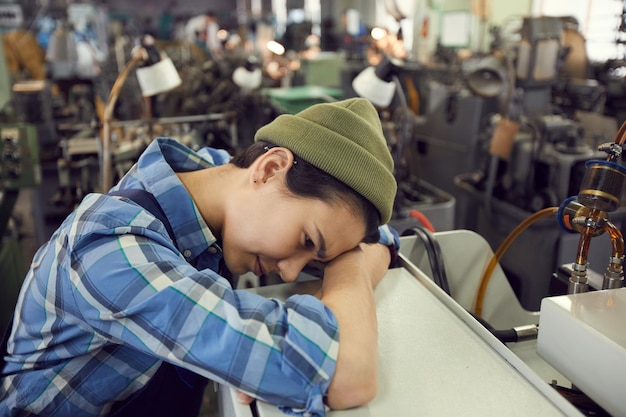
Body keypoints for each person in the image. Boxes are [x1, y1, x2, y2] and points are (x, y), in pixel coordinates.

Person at [0, 98, 399, 417]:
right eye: (307, 240)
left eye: (314, 253)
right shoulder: (110, 248)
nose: (293, 269)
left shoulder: (214, 177)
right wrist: (354, 266)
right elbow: (347, 377)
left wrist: (346, 255)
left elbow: (383, 238)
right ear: (270, 167)